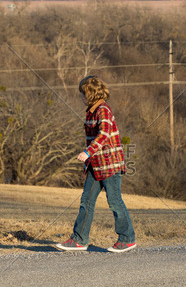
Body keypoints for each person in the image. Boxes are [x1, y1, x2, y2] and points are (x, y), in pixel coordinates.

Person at [55, 75, 136, 253]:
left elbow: (104, 133)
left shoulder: (103, 110)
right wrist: (90, 159)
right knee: (86, 201)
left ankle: (127, 238)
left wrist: (87, 152)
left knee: (114, 201)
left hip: (110, 165)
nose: (81, 97)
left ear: (91, 95)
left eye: (83, 94)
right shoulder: (91, 111)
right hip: (96, 165)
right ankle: (79, 239)